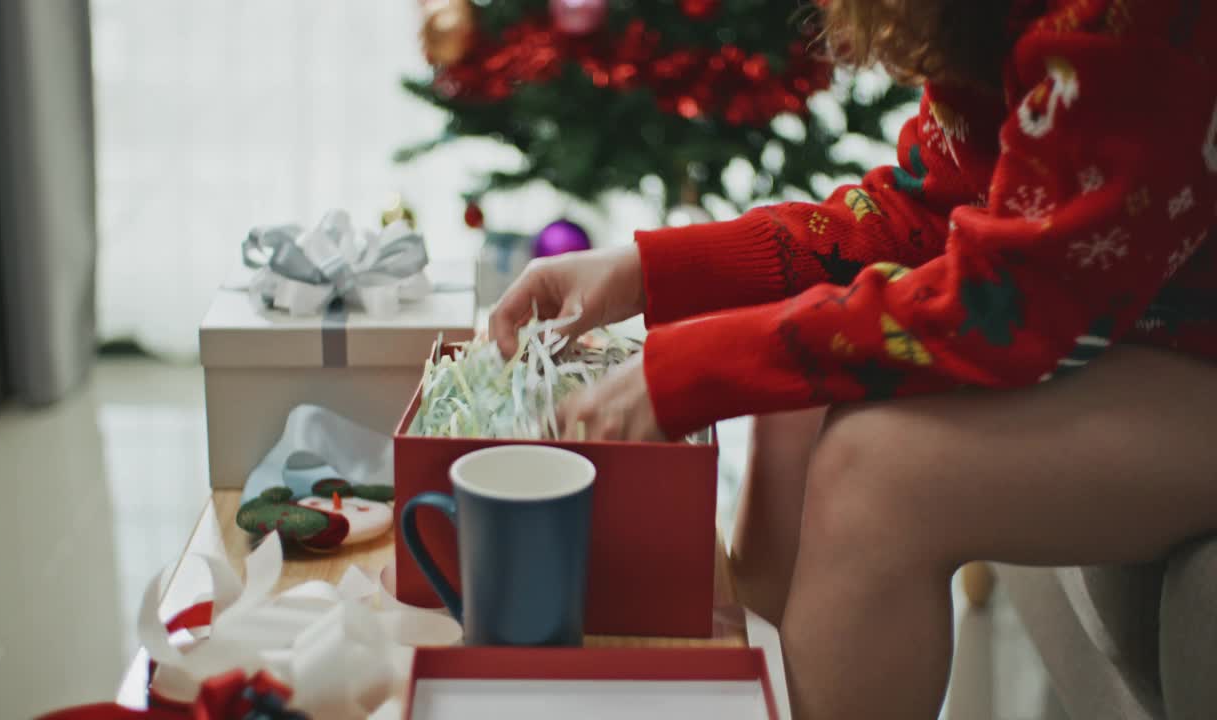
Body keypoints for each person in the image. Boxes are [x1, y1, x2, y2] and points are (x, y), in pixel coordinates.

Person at [490, 1, 1217, 718]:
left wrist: (688, 371)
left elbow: (1006, 303)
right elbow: (917, 213)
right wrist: (642, 274)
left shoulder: (1110, 20)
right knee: (796, 399)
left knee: (880, 472)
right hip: (1154, 323)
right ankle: (763, 680)